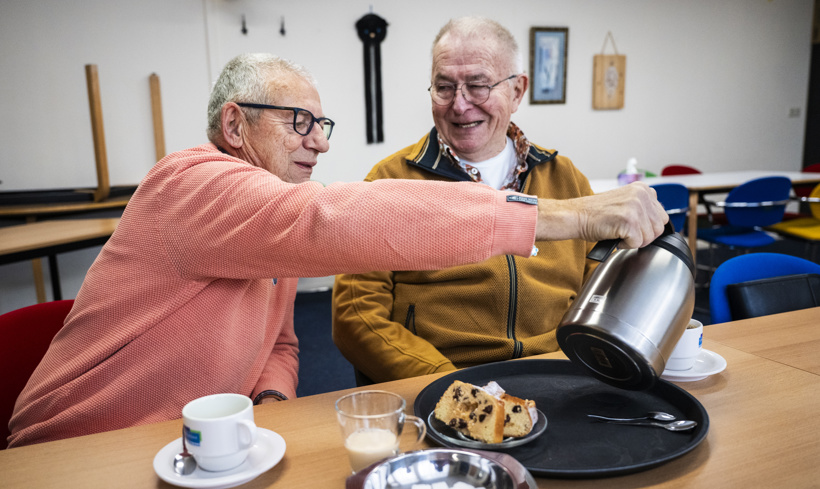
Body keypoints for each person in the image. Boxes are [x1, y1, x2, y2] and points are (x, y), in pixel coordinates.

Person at [8, 53, 665, 448]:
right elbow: (331, 219)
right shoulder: (189, 182)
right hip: (77, 455)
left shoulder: (267, 227)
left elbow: (283, 344)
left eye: (321, 126)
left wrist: (265, 406)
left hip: (199, 446)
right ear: (234, 123)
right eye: (299, 122)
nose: (319, 143)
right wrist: (561, 217)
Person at [332, 17, 624, 384]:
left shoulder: (566, 178)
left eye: (478, 85)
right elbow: (355, 318)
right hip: (442, 380)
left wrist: (575, 366)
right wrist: (445, 383)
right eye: (444, 87)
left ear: (518, 91)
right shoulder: (390, 180)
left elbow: (602, 292)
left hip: (557, 376)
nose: (459, 105)